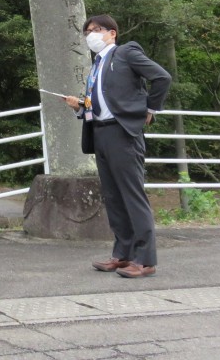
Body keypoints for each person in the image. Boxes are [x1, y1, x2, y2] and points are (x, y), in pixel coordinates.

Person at [62, 14, 172, 279]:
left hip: (123, 133)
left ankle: (145, 260)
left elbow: (162, 78)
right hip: (100, 133)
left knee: (132, 195)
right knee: (113, 197)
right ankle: (123, 255)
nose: (91, 35)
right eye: (88, 31)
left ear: (112, 33)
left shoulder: (125, 53)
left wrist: (150, 108)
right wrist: (80, 107)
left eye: (97, 29)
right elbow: (101, 102)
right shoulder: (96, 66)